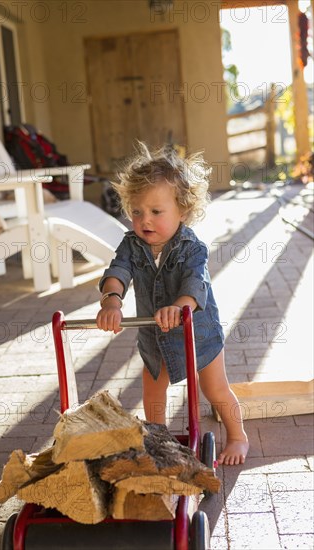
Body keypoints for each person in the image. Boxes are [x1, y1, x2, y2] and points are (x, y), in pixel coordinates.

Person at [96, 142, 249, 465]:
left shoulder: (193, 248)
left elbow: (196, 285)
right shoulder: (132, 244)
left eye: (155, 212)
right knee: (152, 391)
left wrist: (179, 306)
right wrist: (111, 300)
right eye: (136, 212)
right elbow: (118, 271)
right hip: (154, 336)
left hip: (198, 334)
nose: (144, 220)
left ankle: (238, 436)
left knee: (215, 389)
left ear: (182, 210)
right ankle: (159, 442)